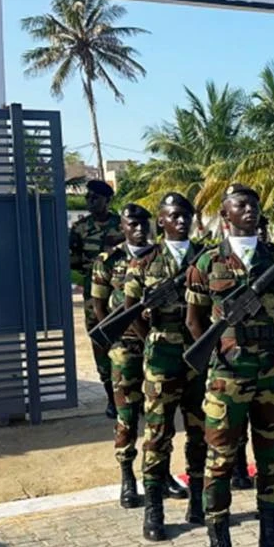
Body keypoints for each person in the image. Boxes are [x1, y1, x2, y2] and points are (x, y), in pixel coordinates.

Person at [184, 184, 274, 547]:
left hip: (272, 375)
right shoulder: (206, 262)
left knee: (273, 458)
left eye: (254, 204)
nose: (250, 209)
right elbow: (194, 320)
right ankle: (219, 546)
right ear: (226, 216)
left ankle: (270, 540)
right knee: (219, 463)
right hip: (228, 378)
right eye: (240, 205)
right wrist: (218, 354)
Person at [119, 193, 207, 538]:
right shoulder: (144, 264)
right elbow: (130, 313)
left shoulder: (206, 258)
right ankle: (154, 509)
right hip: (161, 358)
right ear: (162, 221)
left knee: (200, 432)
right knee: (157, 434)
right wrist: (154, 337)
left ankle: (198, 499)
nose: (181, 221)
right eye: (174, 216)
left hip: (198, 356)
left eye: (186, 215)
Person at [90, 204, 155, 510]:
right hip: (124, 347)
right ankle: (127, 476)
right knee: (126, 413)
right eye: (133, 224)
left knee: (159, 415)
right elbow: (99, 307)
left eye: (144, 223)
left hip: (158, 344)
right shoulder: (108, 260)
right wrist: (112, 342)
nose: (140, 229)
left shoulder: (161, 257)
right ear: (123, 227)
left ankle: (159, 473)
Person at [70, 179, 125, 418]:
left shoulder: (123, 226)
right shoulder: (80, 229)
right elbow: (72, 264)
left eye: (95, 198)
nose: (90, 202)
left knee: (128, 344)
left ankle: (131, 396)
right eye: (88, 198)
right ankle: (112, 399)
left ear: (107, 200)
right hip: (94, 299)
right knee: (100, 345)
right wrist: (88, 282)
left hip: (123, 296)